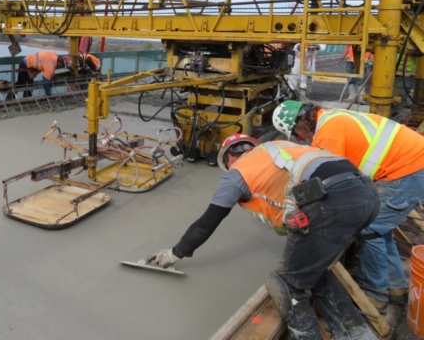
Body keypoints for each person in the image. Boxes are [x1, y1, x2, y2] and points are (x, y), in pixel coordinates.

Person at [148, 134, 379, 340]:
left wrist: (175, 253)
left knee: (285, 282)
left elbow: (208, 222)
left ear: (229, 158)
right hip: (367, 195)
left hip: (330, 203)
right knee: (310, 270)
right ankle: (358, 333)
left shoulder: (236, 175)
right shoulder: (281, 149)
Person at [272, 100, 424, 311]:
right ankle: (395, 286)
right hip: (411, 164)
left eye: (297, 135)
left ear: (301, 125)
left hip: (408, 171)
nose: (301, 140)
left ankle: (376, 294)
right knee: (380, 226)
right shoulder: (332, 118)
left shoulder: (328, 135)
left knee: (369, 228)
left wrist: (305, 212)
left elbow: (329, 185)